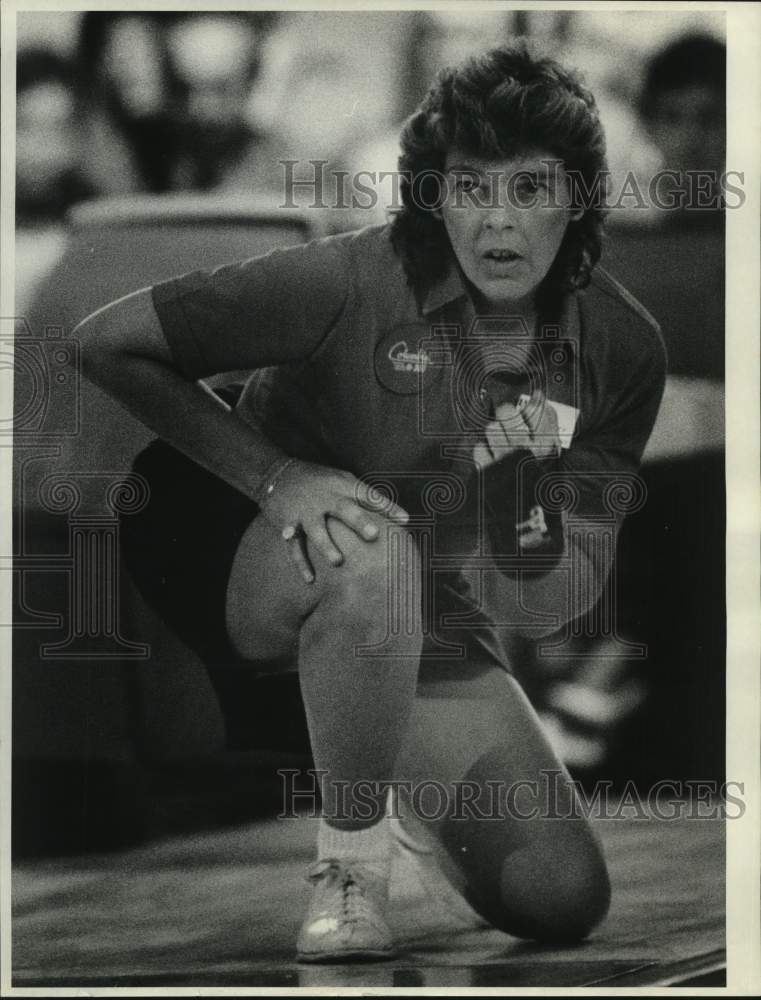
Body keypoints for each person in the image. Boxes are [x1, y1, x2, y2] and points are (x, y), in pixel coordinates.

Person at [76, 43, 666, 963]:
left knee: (561, 899)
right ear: (434, 196)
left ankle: (406, 805)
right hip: (220, 524)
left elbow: (546, 595)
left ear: (581, 199)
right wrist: (275, 475)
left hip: (408, 587)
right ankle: (348, 871)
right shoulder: (349, 276)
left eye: (532, 188)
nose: (499, 223)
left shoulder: (621, 349)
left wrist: (519, 510)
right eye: (472, 188)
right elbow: (102, 344)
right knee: (375, 553)